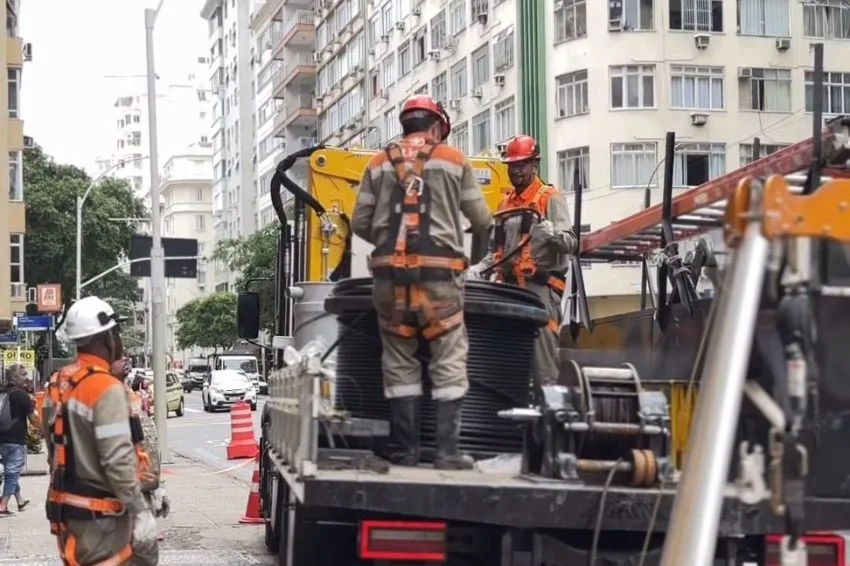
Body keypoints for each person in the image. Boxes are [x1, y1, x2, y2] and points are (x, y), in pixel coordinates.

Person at [351, 94, 493, 470]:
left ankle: (405, 450)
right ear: (436, 127)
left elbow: (360, 222)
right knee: (448, 357)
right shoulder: (453, 159)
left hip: (390, 283)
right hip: (440, 280)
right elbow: (482, 220)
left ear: (405, 125)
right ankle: (447, 452)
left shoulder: (378, 163)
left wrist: (389, 239)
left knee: (399, 362)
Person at [42, 296, 159, 566]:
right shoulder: (105, 387)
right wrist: (140, 510)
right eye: (117, 334)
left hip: (69, 511)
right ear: (109, 338)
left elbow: (55, 448)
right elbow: (117, 460)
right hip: (102, 519)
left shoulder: (58, 382)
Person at [469, 134, 578, 385]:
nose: (516, 171)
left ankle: (546, 401)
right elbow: (495, 253)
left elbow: (571, 243)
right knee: (507, 359)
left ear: (534, 165)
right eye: (512, 166)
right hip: (508, 290)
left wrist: (552, 234)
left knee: (541, 358)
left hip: (539, 288)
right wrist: (478, 270)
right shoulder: (504, 204)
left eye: (522, 165)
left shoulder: (549, 197)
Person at [0, 363, 40, 515]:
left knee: (11, 470)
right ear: (15, 377)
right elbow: (33, 419)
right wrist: (45, 431)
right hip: (15, 439)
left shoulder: (3, 392)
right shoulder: (22, 395)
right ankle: (3, 505)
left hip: (2, 438)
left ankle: (20, 500)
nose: (26, 378)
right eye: (23, 375)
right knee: (12, 473)